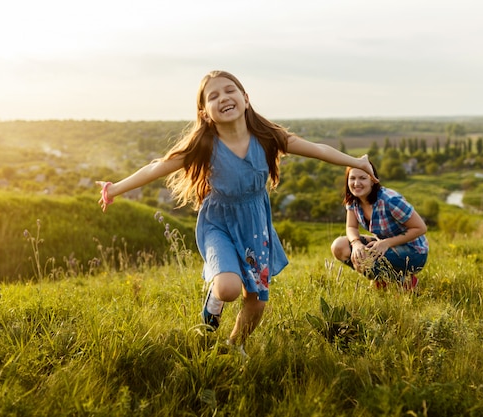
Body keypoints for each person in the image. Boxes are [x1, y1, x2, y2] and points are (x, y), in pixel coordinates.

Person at [96, 70, 376, 354]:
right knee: (229, 288)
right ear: (205, 113)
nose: (224, 98)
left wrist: (358, 162)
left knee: (256, 301)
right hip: (218, 223)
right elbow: (157, 167)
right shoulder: (203, 145)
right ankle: (214, 300)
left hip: (255, 223)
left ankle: (234, 346)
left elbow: (317, 150)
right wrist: (115, 188)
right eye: (213, 96)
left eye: (230, 90)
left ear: (245, 98)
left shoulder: (267, 137)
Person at [330, 162, 428, 290]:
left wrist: (386, 243)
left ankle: (406, 281)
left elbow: (421, 228)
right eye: (352, 178)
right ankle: (381, 279)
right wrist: (356, 244)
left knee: (367, 259)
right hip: (382, 244)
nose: (356, 183)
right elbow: (351, 227)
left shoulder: (390, 200)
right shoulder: (354, 200)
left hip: (414, 251)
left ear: (372, 180)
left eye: (362, 178)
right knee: (339, 246)